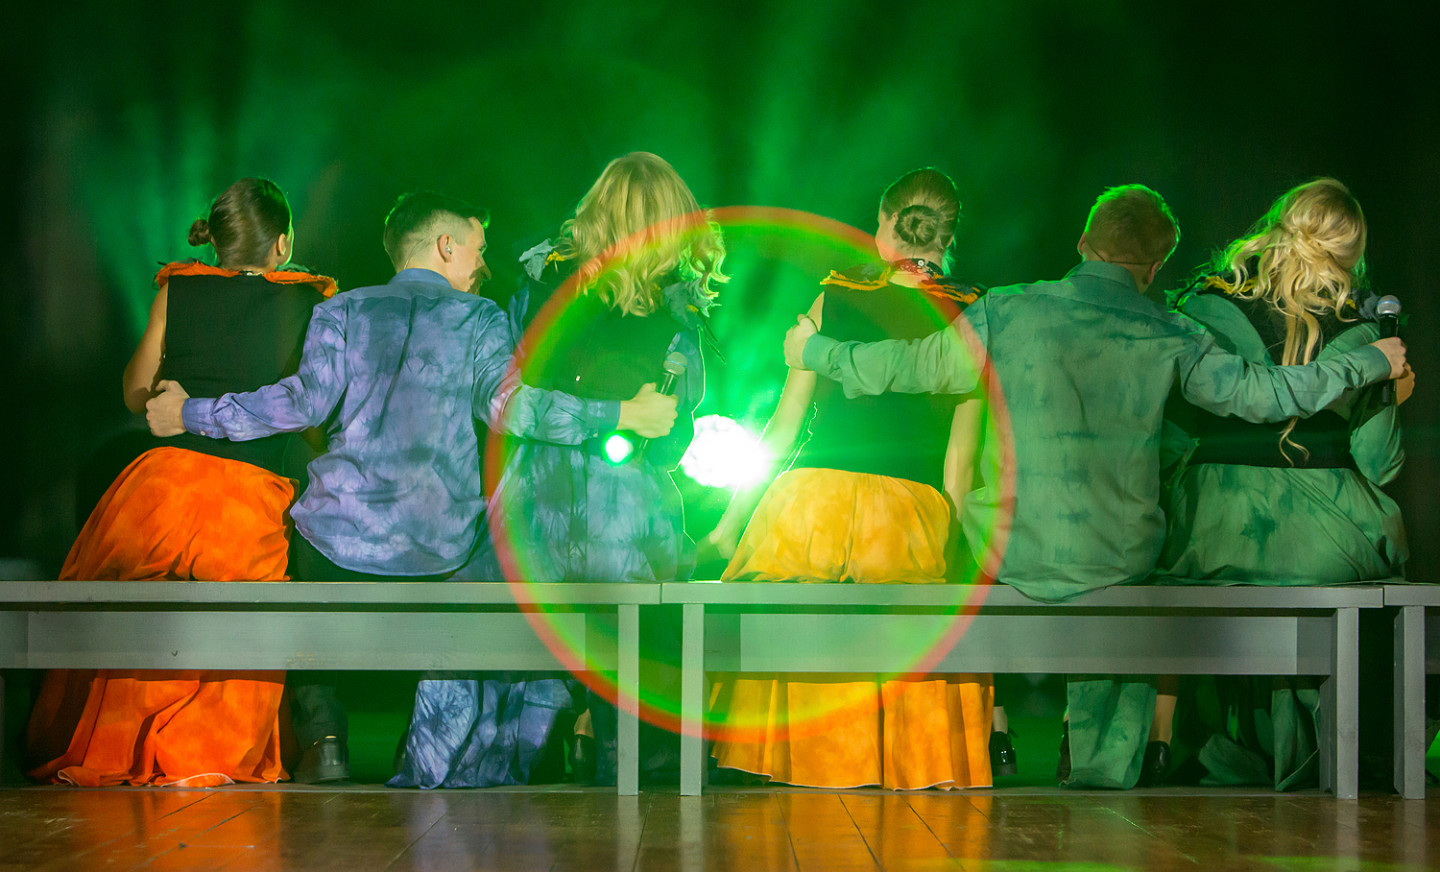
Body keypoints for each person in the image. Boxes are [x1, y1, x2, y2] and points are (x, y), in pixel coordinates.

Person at [783, 183, 1408, 788]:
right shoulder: (1172, 331)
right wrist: (1369, 361)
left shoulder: (1007, 308)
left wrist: (816, 352)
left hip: (1009, 551)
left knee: (965, 533)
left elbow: (908, 366)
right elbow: (1266, 396)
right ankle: (1099, 762)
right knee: (1142, 566)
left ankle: (988, 738)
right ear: (1155, 267)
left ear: (1083, 243)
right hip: (1117, 559)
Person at [146, 190, 679, 783]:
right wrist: (621, 414)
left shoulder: (342, 310)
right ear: (445, 246)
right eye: (477, 249)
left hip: (335, 552)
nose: (483, 264)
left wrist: (189, 412)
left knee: (293, 540)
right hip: (438, 557)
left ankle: (324, 736)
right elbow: (515, 410)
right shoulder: (481, 318)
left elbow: (297, 404)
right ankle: (431, 744)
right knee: (503, 543)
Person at [391, 152, 725, 789]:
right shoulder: (670, 311)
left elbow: (512, 399)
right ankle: (635, 787)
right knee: (633, 653)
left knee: (496, 646)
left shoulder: (543, 286)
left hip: (538, 495)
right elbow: (670, 435)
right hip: (619, 502)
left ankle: (465, 774)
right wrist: (632, 417)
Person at [26, 177, 336, 787]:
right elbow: (313, 413)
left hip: (162, 487)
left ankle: (122, 741)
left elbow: (135, 393)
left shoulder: (178, 288)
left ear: (217, 243)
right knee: (245, 609)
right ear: (283, 243)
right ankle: (203, 750)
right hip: (248, 495)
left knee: (135, 606)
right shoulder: (309, 301)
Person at [702, 167, 994, 791]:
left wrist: (728, 526)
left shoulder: (832, 297)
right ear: (947, 238)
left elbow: (782, 429)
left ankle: (803, 760)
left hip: (812, 503)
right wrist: (959, 548)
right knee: (902, 633)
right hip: (907, 510)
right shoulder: (973, 315)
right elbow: (959, 467)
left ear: (884, 226)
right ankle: (891, 761)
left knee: (795, 627)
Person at [1154, 177, 1411, 789]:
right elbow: (1381, 465)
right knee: (1386, 561)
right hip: (1327, 531)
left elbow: (1170, 439)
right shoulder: (1368, 332)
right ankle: (1348, 742)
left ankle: (1176, 744)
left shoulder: (1200, 306)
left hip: (1213, 525)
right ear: (1351, 253)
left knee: (1173, 571)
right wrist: (1396, 397)